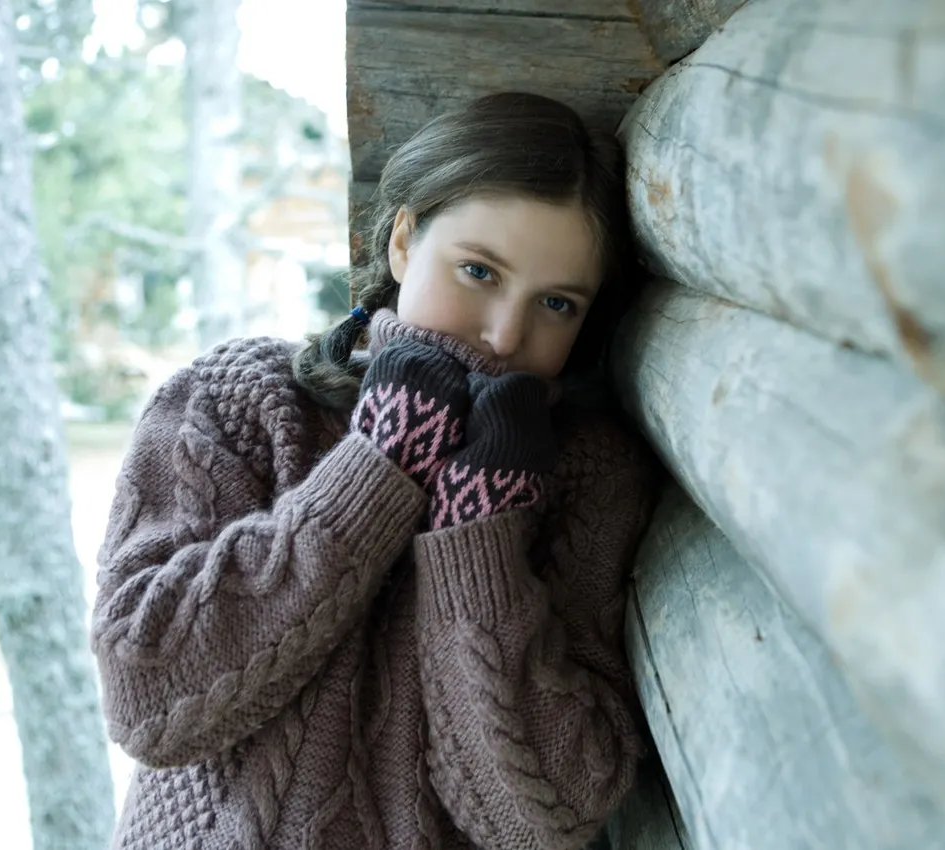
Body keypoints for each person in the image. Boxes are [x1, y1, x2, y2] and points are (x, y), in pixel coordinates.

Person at [91, 91, 658, 850]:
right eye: (479, 272)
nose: (504, 333)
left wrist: (480, 531)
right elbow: (146, 697)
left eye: (556, 302)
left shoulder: (586, 477)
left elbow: (543, 817)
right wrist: (380, 466)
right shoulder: (240, 401)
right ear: (402, 243)